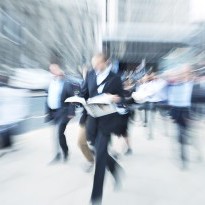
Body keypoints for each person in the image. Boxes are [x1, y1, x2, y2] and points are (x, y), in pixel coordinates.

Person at [80, 53, 124, 205]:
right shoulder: (91, 75)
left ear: (105, 62)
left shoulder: (115, 78)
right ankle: (115, 167)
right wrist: (78, 100)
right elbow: (84, 93)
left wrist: (117, 98)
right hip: (92, 121)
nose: (95, 67)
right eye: (93, 64)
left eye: (98, 63)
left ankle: (96, 198)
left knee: (99, 158)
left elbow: (122, 97)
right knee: (99, 150)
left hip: (107, 122)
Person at [165, 64, 193, 169]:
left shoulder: (191, 84)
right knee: (180, 135)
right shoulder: (175, 85)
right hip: (177, 111)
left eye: (185, 72)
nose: (182, 75)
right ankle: (182, 158)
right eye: (181, 73)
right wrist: (171, 114)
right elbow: (171, 100)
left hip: (186, 111)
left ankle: (184, 157)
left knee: (184, 134)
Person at [46, 63, 75, 163]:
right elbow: (48, 97)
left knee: (59, 133)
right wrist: (47, 112)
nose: (52, 72)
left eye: (54, 70)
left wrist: (71, 112)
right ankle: (57, 154)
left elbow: (72, 98)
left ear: (59, 70)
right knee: (54, 135)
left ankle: (65, 152)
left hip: (63, 112)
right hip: (52, 112)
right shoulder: (50, 83)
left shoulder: (66, 83)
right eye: (51, 70)